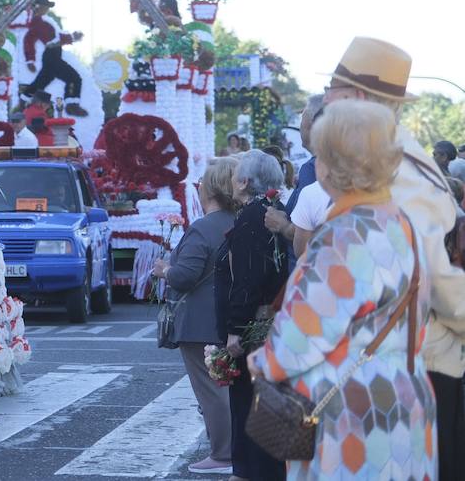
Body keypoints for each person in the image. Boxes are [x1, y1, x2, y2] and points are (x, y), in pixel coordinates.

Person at [248, 100, 435, 480]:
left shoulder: (343, 234)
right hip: (408, 396)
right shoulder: (403, 224)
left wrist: (259, 363)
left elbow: (298, 342)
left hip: (350, 412)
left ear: (334, 164)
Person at [321, 36, 465, 479]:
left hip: (414, 367)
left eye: (335, 89)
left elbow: (434, 280)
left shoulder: (399, 170)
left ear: (360, 99)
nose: (326, 99)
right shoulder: (377, 158)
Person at [153, 157, 241, 475]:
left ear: (209, 189)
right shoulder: (240, 220)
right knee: (227, 388)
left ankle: (222, 453)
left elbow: (185, 276)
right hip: (230, 316)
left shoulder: (203, 228)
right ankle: (230, 448)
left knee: (211, 390)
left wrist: (165, 270)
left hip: (200, 321)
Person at [214, 149, 290, 481]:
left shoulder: (250, 216)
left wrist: (235, 329)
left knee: (248, 402)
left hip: (254, 327)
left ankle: (251, 472)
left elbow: (247, 278)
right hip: (274, 321)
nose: (231, 180)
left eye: (235, 176)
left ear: (245, 182)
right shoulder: (275, 211)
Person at [19, 0, 87, 116]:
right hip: (52, 56)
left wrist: (72, 37)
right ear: (38, 7)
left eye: (47, 6)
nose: (46, 9)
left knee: (40, 83)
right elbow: (48, 42)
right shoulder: (39, 22)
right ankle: (72, 104)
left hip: (52, 56)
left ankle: (23, 101)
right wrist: (30, 60)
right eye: (45, 6)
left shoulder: (44, 21)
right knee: (74, 77)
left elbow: (54, 37)